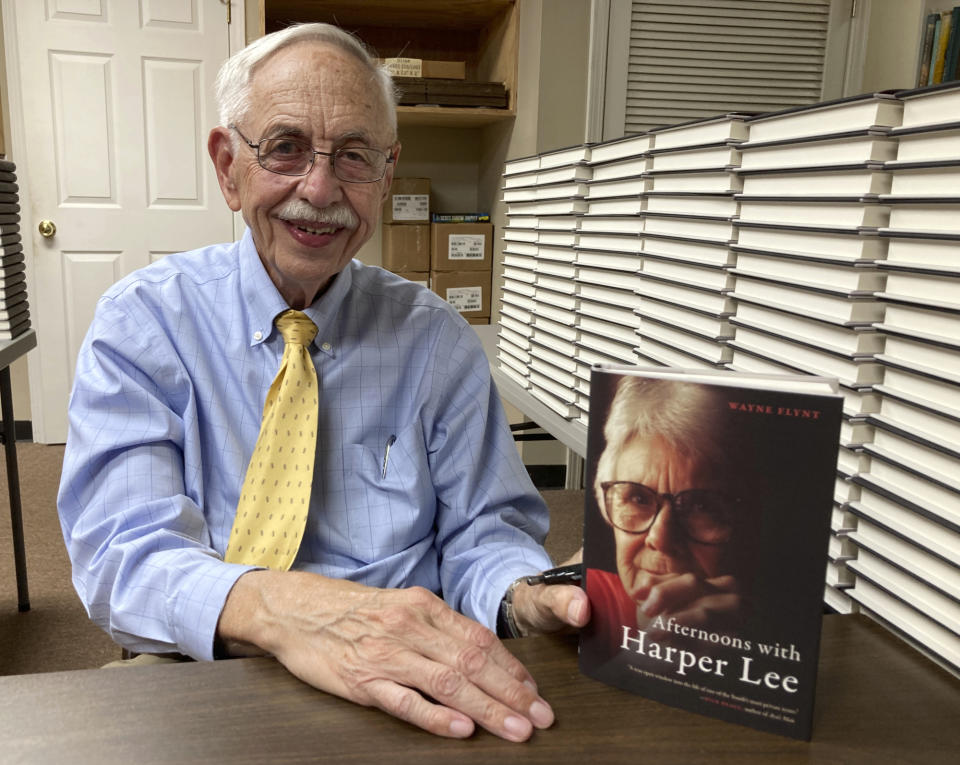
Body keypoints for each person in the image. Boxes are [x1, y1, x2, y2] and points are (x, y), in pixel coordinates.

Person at [56, 22, 588, 743]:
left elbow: (483, 533)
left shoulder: (437, 341)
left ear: (387, 172)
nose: (320, 187)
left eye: (355, 156)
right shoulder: (143, 323)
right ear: (226, 165)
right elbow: (123, 555)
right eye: (285, 148)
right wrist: (290, 613)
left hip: (405, 687)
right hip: (205, 668)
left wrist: (524, 596)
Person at [583, 375, 757, 658]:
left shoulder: (770, 629)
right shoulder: (580, 605)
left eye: (699, 506)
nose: (660, 539)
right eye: (638, 499)